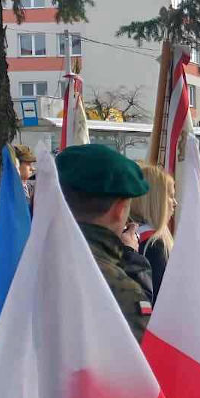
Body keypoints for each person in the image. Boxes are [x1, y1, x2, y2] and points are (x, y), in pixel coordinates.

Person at [55, 144, 155, 341]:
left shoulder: (10, 267)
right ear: (120, 209)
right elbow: (138, 362)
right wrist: (132, 261)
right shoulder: (119, 286)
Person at [130, 163, 176, 301]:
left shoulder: (129, 237)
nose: (174, 203)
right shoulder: (154, 245)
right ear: (155, 200)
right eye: (170, 196)